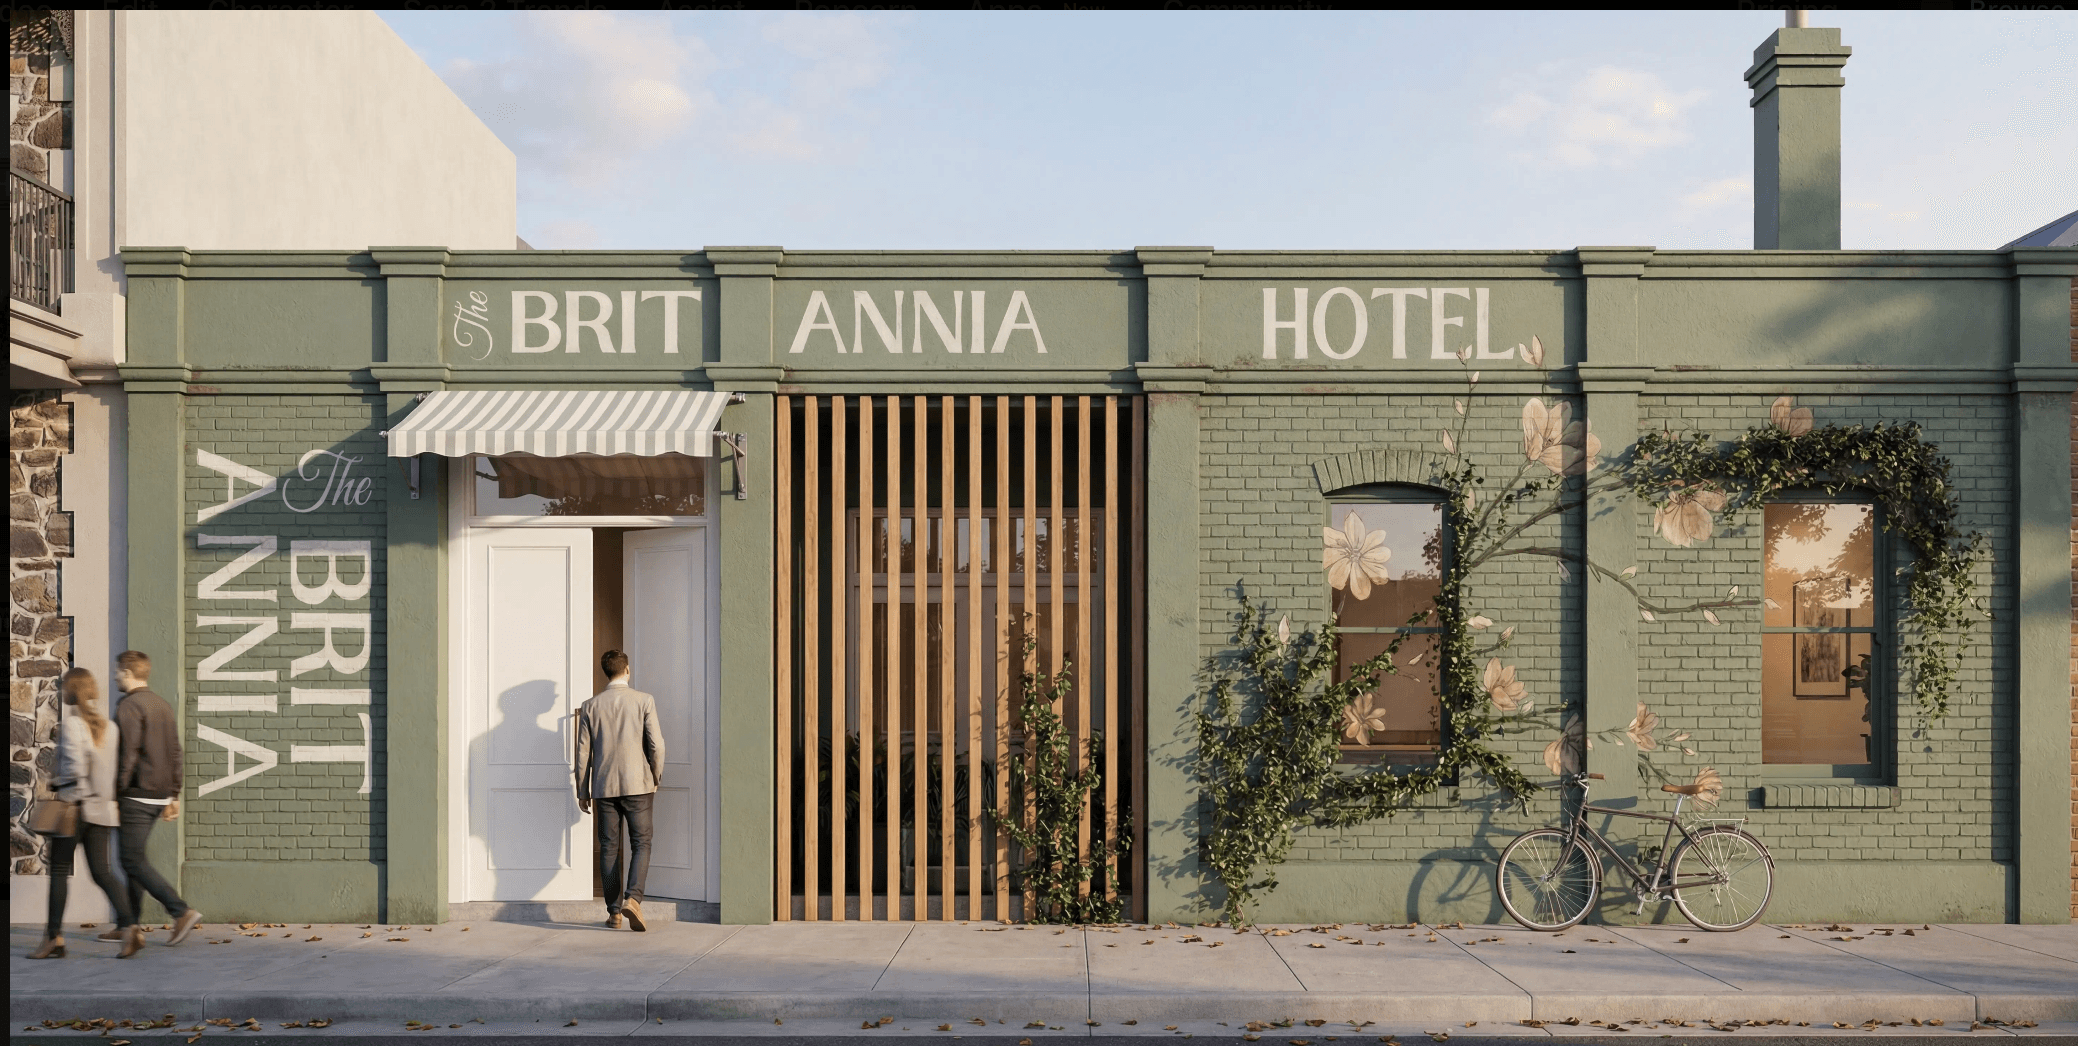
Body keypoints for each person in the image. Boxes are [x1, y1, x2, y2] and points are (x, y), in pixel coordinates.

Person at [30, 668, 141, 959]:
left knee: (58, 872)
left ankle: (53, 938)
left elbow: (76, 769)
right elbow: (112, 771)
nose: (61, 690)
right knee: (103, 872)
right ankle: (130, 928)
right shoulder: (110, 727)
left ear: (73, 690)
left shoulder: (73, 725)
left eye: (64, 686)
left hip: (74, 809)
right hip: (102, 811)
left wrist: (57, 784)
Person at [111, 651, 202, 946]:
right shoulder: (161, 704)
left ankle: (180, 911)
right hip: (159, 795)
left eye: (117, 672)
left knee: (131, 859)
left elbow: (129, 752)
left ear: (127, 672)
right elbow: (176, 751)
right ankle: (130, 925)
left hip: (137, 793)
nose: (114, 677)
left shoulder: (129, 705)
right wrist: (174, 794)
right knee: (134, 858)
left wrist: (118, 790)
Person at [573, 649, 664, 931]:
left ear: (606, 672)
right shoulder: (643, 701)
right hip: (639, 785)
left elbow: (582, 755)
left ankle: (614, 913)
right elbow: (657, 745)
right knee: (641, 843)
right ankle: (633, 899)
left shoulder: (590, 706)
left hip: (604, 786)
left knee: (609, 848)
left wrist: (582, 789)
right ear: (627, 670)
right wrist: (655, 775)